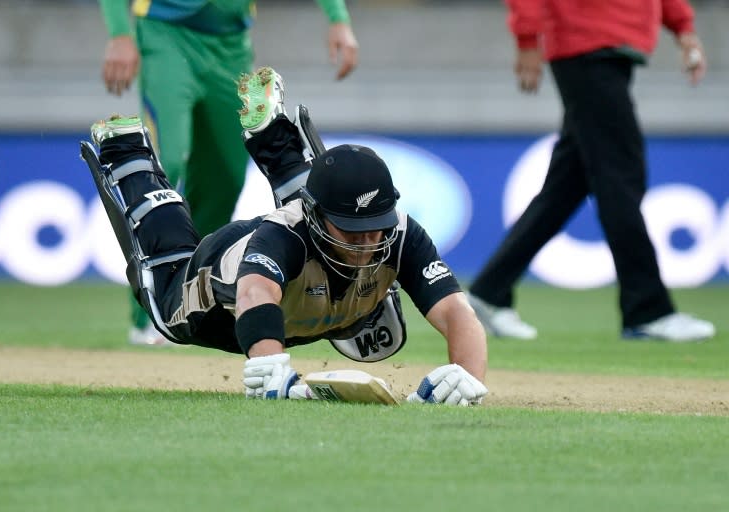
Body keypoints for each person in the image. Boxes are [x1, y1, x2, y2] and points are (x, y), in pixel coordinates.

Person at [79, 67, 489, 404]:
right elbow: (254, 294)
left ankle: (274, 136)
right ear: (317, 216)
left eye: (374, 227)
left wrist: (467, 379)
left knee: (380, 335)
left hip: (320, 296)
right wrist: (271, 364)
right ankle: (127, 152)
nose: (366, 244)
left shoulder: (400, 231)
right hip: (225, 280)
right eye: (352, 230)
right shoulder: (283, 234)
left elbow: (457, 311)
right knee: (169, 307)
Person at [97, 0, 360, 346]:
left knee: (225, 180)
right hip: (166, 34)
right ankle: (147, 311)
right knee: (169, 161)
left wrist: (338, 18)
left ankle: (184, 302)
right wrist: (120, 33)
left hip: (232, 45)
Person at [466, 0, 715, 342]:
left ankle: (489, 292)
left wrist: (683, 27)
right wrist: (527, 39)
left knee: (565, 188)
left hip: (608, 49)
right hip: (585, 45)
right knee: (621, 176)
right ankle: (647, 310)